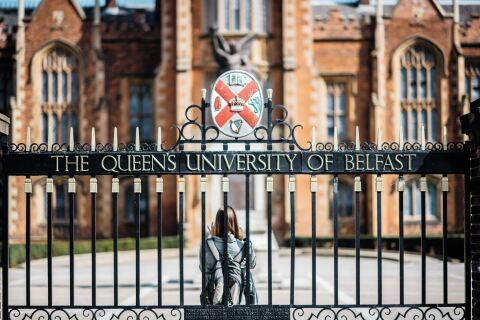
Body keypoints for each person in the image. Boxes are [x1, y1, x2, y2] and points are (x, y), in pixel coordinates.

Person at [199, 206, 257, 305]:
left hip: (214, 297)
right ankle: (252, 306)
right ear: (235, 223)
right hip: (235, 294)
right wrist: (244, 240)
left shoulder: (207, 245)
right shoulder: (242, 246)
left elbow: (203, 268)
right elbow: (252, 264)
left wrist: (211, 238)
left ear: (217, 223)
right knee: (247, 274)